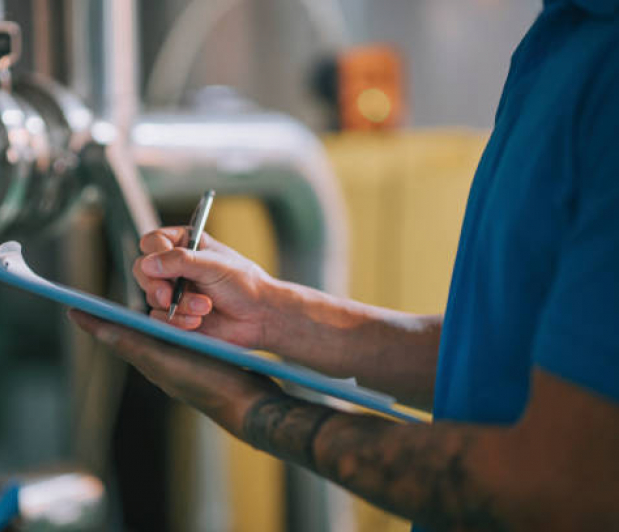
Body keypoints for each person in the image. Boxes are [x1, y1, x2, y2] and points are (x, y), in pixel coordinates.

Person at [69, 0, 619, 529]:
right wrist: (272, 314)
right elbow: (513, 363)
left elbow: (557, 491)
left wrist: (251, 408)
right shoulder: (568, 32)